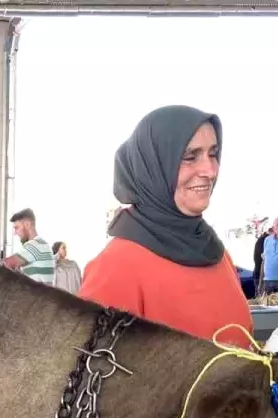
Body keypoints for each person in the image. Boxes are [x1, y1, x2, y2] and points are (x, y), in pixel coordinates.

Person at [78, 105, 251, 346]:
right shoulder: (116, 268)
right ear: (153, 167)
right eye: (190, 157)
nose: (210, 170)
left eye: (213, 154)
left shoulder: (216, 253)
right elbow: (95, 373)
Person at [2, 209, 54, 285]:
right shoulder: (41, 244)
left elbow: (5, 264)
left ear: (27, 224)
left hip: (37, 296)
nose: (15, 233)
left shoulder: (35, 245)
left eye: (16, 228)